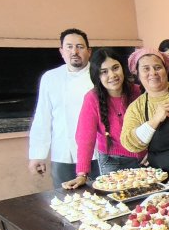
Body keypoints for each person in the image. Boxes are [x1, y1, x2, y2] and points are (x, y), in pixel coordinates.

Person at [62, 49, 144, 189]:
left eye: (115, 68)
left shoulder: (139, 91)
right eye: (104, 71)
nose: (112, 75)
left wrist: (153, 153)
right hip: (112, 161)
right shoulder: (92, 98)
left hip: (144, 160)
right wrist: (82, 174)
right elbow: (85, 138)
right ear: (97, 75)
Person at [28, 28, 98, 187]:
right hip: (63, 153)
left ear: (89, 51)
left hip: (97, 152)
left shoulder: (100, 74)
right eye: (69, 47)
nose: (75, 51)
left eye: (80, 47)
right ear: (61, 51)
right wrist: (37, 154)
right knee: (66, 200)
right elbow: (42, 117)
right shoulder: (50, 78)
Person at [120, 48, 169, 177]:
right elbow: (129, 142)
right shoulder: (136, 107)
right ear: (137, 74)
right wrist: (154, 121)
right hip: (163, 177)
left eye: (157, 67)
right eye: (146, 69)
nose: (153, 73)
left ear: (166, 70)